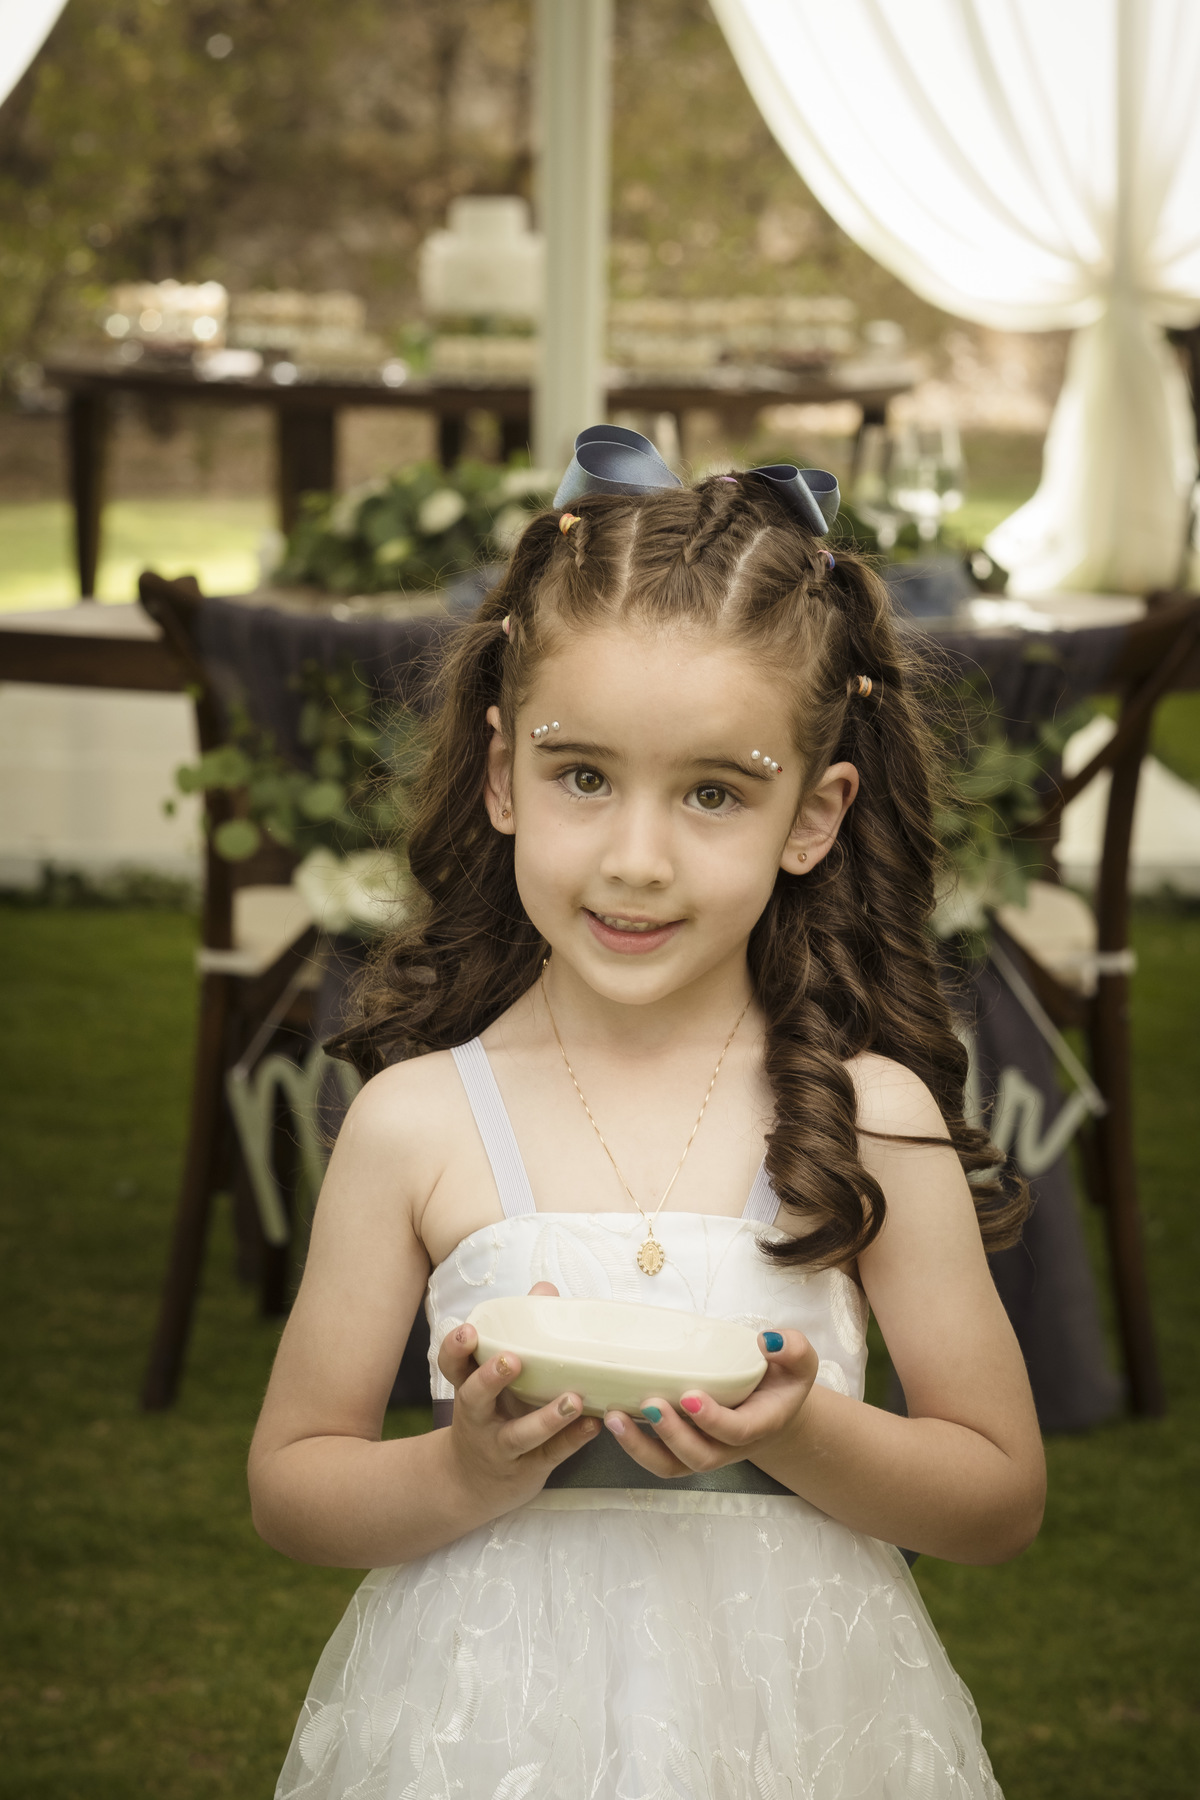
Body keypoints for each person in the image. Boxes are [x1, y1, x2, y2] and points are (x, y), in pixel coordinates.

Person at [251, 428, 1045, 1800]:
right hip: (482, 1722)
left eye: (715, 794)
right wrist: (465, 1472)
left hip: (806, 1724)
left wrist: (801, 1434)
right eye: (582, 776)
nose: (636, 857)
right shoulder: (418, 1122)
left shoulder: (873, 1118)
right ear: (503, 775)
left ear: (814, 813)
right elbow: (293, 1482)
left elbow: (998, 1497)